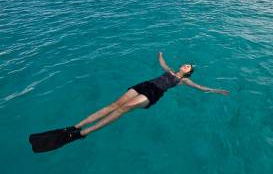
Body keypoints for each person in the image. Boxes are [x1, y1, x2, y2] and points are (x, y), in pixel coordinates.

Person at [29, 52, 230, 153]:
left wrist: (216, 90)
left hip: (154, 93)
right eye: (185, 64)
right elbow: (162, 64)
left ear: (188, 73)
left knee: (123, 109)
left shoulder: (183, 80)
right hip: (144, 85)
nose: (185, 65)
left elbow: (200, 88)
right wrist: (160, 55)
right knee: (113, 105)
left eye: (188, 66)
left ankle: (83, 133)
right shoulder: (170, 71)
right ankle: (74, 127)